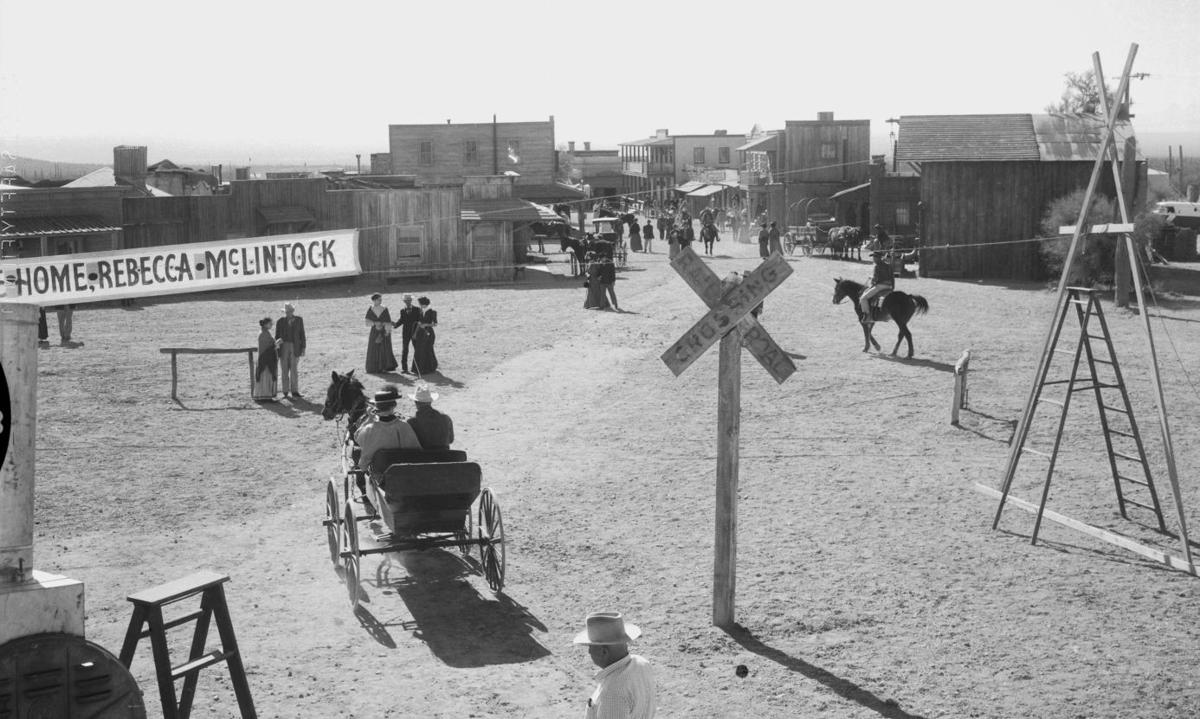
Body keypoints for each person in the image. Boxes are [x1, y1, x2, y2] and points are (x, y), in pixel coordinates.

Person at [574, 612, 656, 719]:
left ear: (604, 651)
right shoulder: (642, 663)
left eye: (591, 647)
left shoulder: (612, 693)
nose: (589, 652)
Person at [354, 385, 422, 492]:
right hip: (405, 475)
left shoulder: (370, 429)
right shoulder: (404, 426)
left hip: (382, 479)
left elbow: (357, 437)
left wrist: (369, 419)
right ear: (394, 406)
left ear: (377, 408)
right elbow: (416, 451)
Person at [407, 384, 454, 449]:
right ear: (430, 401)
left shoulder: (411, 422)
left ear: (415, 402)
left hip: (422, 455)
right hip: (443, 454)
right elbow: (451, 440)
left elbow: (409, 443)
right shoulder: (445, 418)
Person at [275, 302, 306, 398]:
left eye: (290, 311)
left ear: (293, 311)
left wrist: (303, 347)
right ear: (285, 312)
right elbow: (277, 336)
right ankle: (285, 391)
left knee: (294, 369)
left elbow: (302, 334)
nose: (289, 313)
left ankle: (294, 391)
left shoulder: (299, 320)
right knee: (284, 369)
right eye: (287, 311)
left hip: (295, 346)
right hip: (283, 346)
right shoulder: (280, 321)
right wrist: (277, 349)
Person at [364, 293, 398, 374]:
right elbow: (367, 322)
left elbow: (388, 321)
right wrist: (375, 323)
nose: (380, 301)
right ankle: (374, 367)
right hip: (374, 332)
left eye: (381, 299)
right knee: (374, 349)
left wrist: (387, 331)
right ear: (374, 300)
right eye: (379, 299)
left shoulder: (384, 309)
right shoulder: (371, 309)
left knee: (384, 349)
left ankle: (384, 367)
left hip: (383, 331)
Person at [859, 251, 895, 323]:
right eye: (873, 257)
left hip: (880, 286)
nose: (873, 259)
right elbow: (892, 278)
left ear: (878, 258)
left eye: (874, 257)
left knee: (863, 298)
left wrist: (871, 284)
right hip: (889, 286)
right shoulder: (889, 265)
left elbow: (875, 279)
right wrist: (892, 287)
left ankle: (867, 316)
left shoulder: (877, 266)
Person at [393, 293, 422, 374]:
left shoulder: (417, 309)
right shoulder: (402, 311)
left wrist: (416, 332)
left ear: (411, 300)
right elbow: (401, 320)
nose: (408, 302)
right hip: (405, 333)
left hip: (415, 332)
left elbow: (419, 321)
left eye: (409, 300)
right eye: (406, 300)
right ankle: (404, 368)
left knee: (417, 349)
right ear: (404, 301)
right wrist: (395, 325)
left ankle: (418, 367)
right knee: (405, 350)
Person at [252, 317, 279, 402]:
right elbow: (269, 347)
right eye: (270, 324)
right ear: (266, 324)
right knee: (265, 378)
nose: (272, 325)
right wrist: (277, 344)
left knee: (265, 378)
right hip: (265, 359)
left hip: (265, 359)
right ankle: (264, 397)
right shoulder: (264, 334)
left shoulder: (265, 332)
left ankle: (265, 396)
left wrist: (275, 344)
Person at [411, 296, 439, 375]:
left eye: (420, 303)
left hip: (428, 333)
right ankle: (419, 369)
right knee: (419, 350)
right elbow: (419, 323)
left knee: (427, 349)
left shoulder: (432, 311)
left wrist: (426, 324)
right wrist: (415, 333)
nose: (419, 305)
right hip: (420, 333)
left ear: (423, 303)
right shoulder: (421, 311)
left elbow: (435, 324)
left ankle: (428, 368)